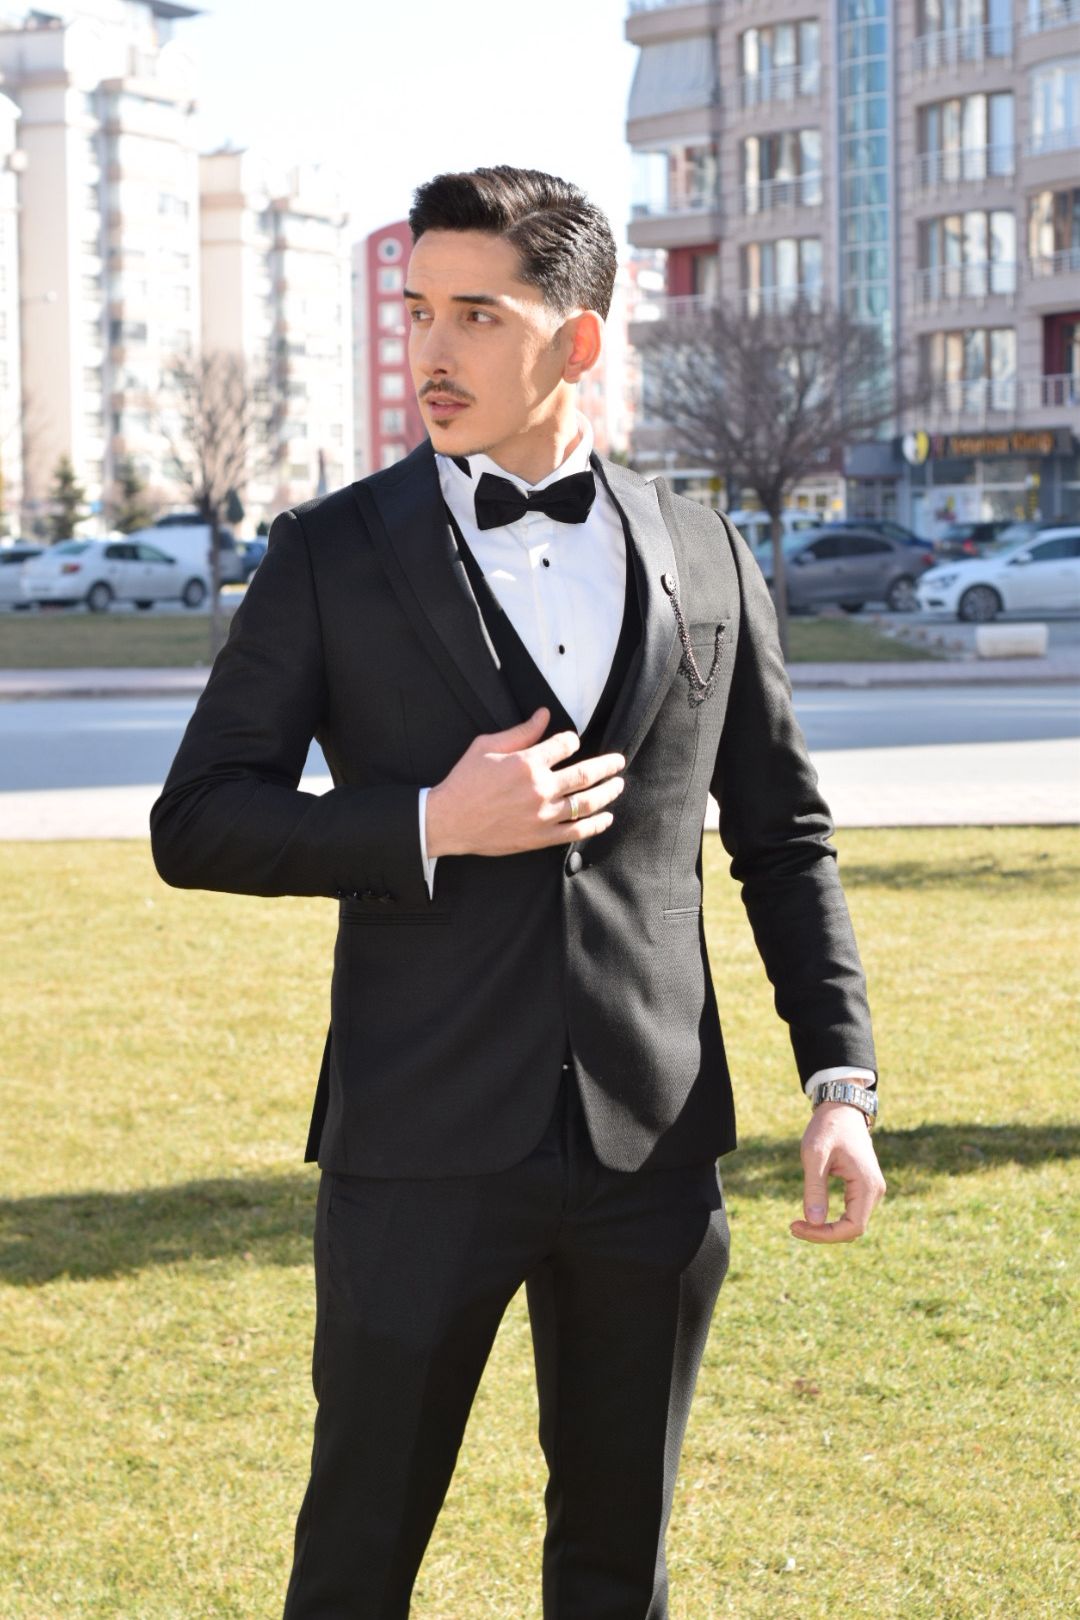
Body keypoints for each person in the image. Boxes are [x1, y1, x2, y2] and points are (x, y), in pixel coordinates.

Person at [150, 164, 886, 1620]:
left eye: (477, 315)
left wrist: (840, 1082)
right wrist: (434, 821)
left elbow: (785, 839)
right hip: (416, 1142)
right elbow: (201, 821)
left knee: (618, 1565)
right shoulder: (329, 555)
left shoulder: (706, 551)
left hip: (651, 1148)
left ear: (580, 339)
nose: (433, 350)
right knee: (356, 1558)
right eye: (417, 310)